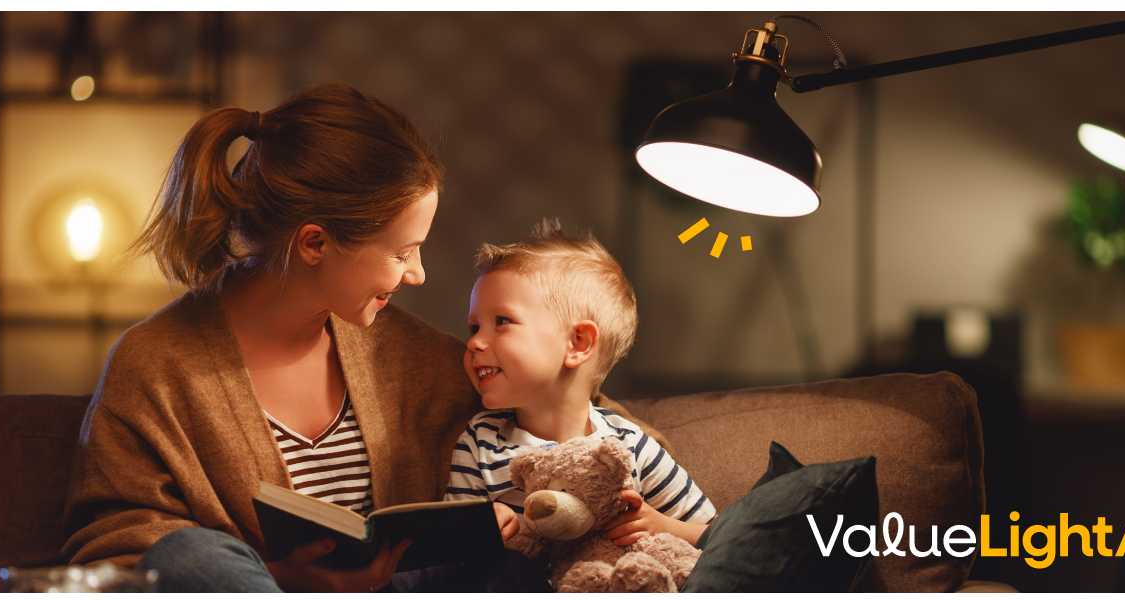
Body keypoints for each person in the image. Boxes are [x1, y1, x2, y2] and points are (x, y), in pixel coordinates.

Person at [61, 83, 659, 593]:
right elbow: (115, 548)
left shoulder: (418, 358)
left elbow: (571, 412)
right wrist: (278, 575)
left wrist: (634, 503)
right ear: (315, 243)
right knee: (188, 558)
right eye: (401, 252)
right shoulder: (156, 364)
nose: (418, 274)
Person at [445, 220, 716, 552]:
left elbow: (719, 535)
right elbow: (448, 554)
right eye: (474, 327)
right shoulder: (480, 443)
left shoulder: (629, 446)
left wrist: (662, 526)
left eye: (502, 321)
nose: (474, 343)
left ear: (578, 344)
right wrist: (481, 528)